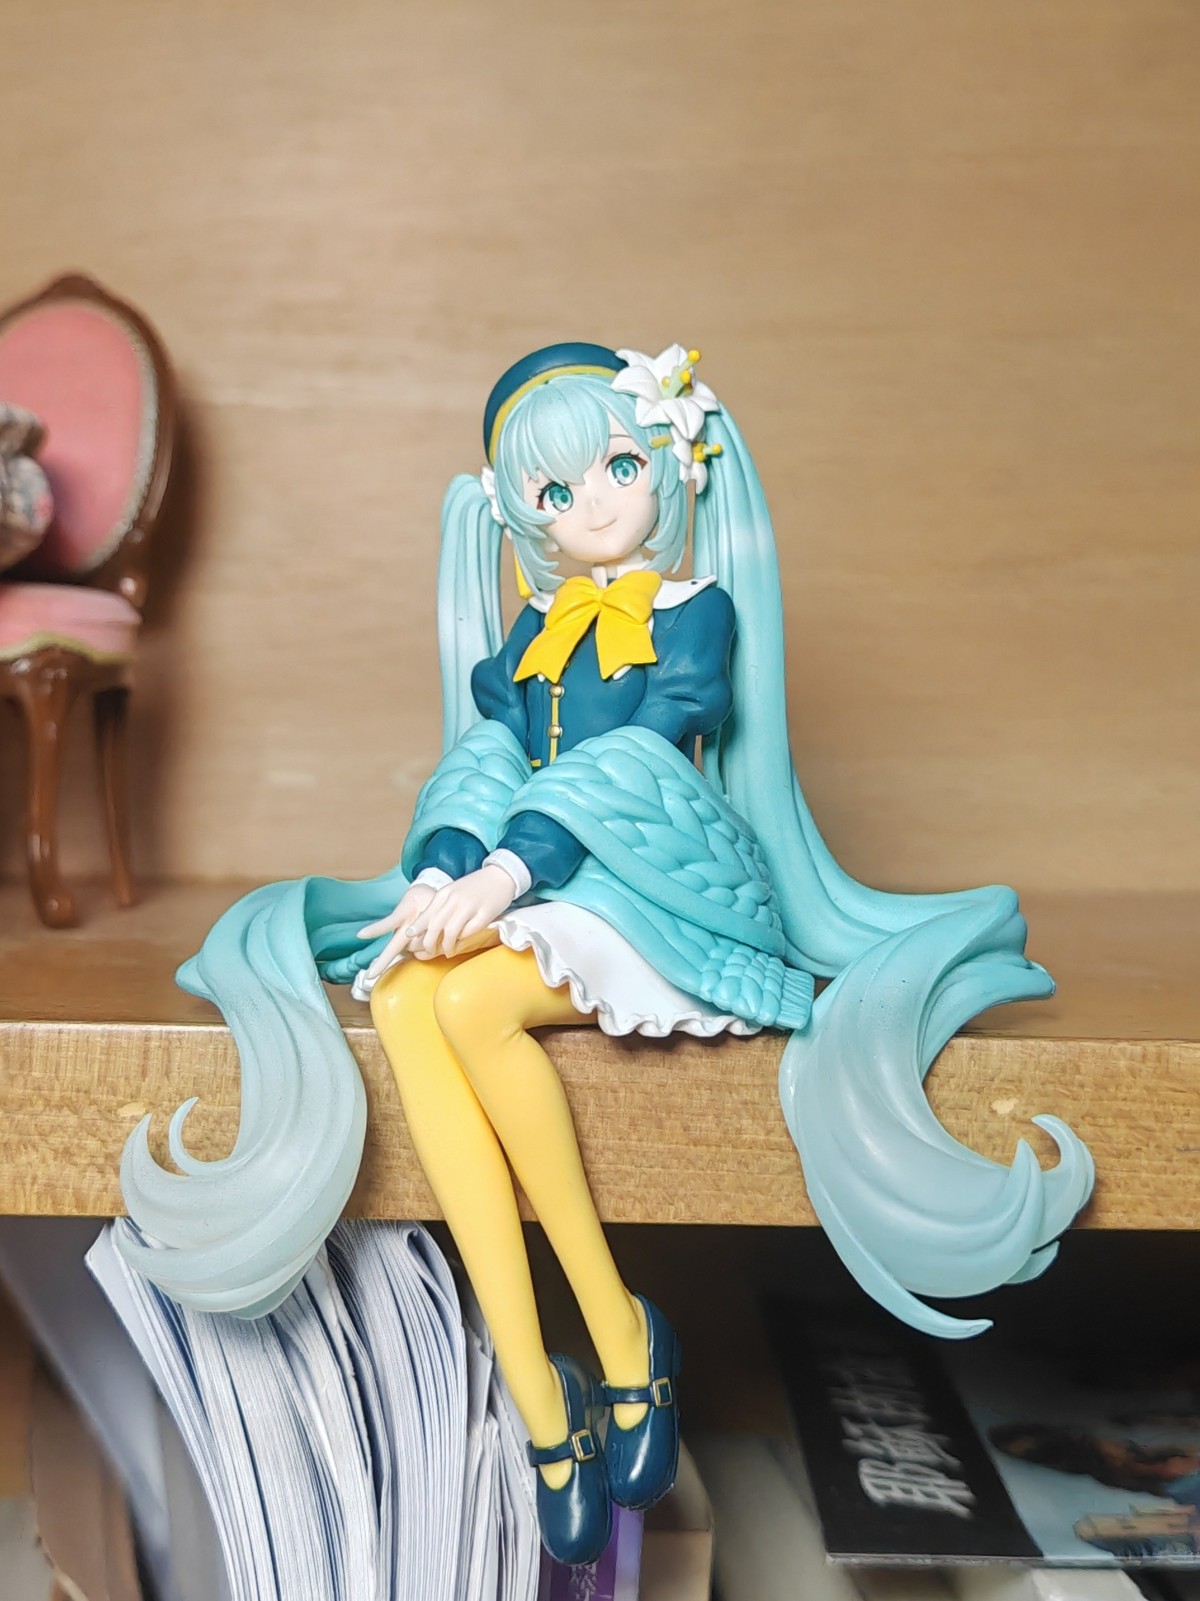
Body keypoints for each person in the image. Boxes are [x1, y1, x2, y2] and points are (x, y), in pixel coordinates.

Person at [119, 342, 1095, 1565]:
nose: (591, 503)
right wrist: (445, 862)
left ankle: (622, 1334)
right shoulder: (534, 627)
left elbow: (644, 752)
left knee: (469, 1007)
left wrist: (507, 869)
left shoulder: (694, 612)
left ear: (667, 466)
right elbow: (491, 751)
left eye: (617, 467)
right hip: (539, 874)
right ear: (524, 515)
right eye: (554, 490)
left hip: (656, 880)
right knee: (413, 996)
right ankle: (540, 1383)